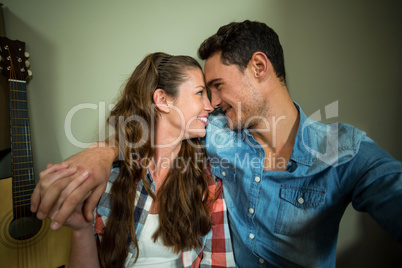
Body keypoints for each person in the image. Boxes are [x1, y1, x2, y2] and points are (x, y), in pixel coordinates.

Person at [32, 21, 402, 267]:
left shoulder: (343, 150)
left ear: (259, 67)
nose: (213, 103)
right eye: (204, 92)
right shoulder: (215, 131)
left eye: (217, 87)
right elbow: (155, 134)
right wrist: (101, 153)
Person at [46, 52, 235, 267]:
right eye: (200, 93)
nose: (210, 106)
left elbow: (219, 260)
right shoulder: (108, 177)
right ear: (163, 100)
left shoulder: (207, 178)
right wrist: (80, 229)